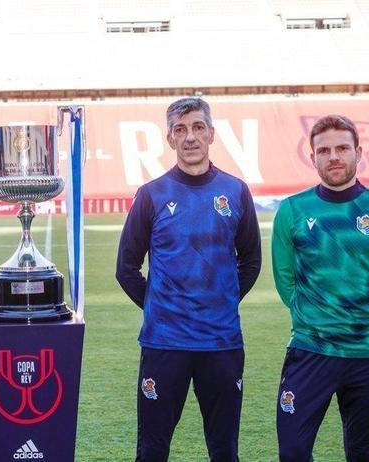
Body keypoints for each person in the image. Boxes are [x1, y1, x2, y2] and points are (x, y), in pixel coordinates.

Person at [116, 97, 262, 461]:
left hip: (221, 342)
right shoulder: (151, 195)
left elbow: (251, 261)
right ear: (170, 139)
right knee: (152, 451)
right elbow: (126, 268)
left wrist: (221, 300)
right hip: (165, 343)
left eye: (197, 127)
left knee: (224, 451)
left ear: (211, 133)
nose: (190, 137)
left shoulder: (235, 191)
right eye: (180, 130)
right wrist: (161, 306)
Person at [272, 115, 369, 461]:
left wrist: (367, 319)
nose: (333, 156)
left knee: (363, 454)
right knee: (292, 451)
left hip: (368, 354)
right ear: (313, 158)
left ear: (358, 152)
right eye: (324, 150)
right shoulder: (292, 210)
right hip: (310, 350)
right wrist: (315, 317)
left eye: (342, 148)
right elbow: (285, 280)